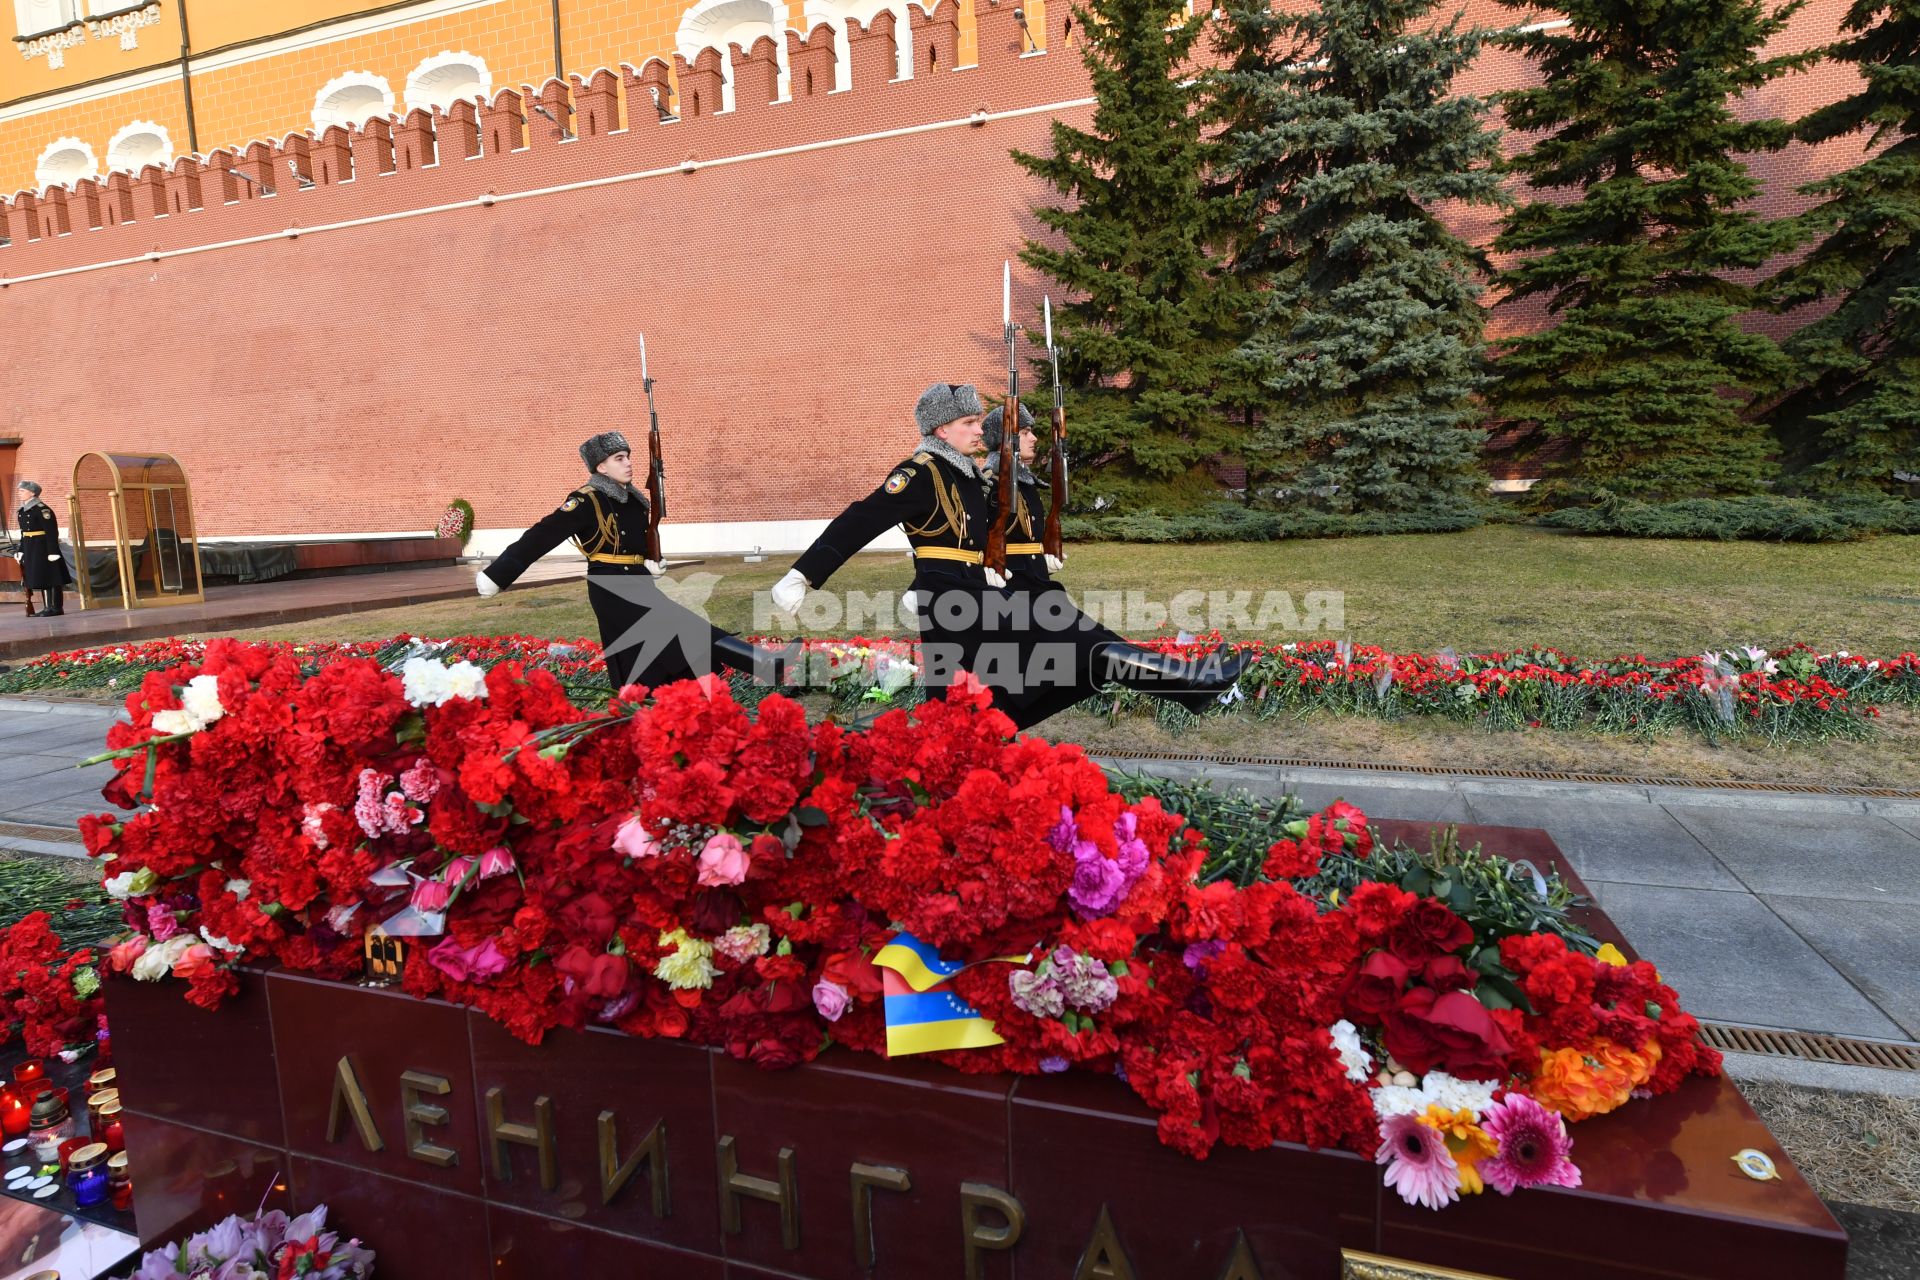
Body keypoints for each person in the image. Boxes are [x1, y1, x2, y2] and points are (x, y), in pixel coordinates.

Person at [977, 403, 1248, 728]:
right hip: (1015, 603)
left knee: (1103, 645)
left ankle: (1192, 681)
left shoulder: (1025, 482)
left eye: (1033, 431)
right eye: (1024, 433)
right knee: (1096, 652)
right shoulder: (990, 484)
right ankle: (1190, 683)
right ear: (1006, 441)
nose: (1034, 438)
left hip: (1039, 595)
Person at [477, 432, 793, 692]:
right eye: (619, 458)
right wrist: (498, 574)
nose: (628, 463)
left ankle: (657, 694)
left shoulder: (634, 500)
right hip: (610, 587)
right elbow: (540, 536)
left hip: (639, 581)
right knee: (686, 625)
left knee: (646, 651)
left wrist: (652, 560)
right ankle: (763, 664)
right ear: (600, 467)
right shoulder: (586, 501)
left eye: (628, 456)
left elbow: (639, 539)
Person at [772, 384, 1009, 699]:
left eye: (978, 421)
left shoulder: (967, 475)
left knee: (987, 686)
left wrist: (988, 564)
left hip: (975, 589)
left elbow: (958, 538)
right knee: (955, 690)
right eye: (968, 423)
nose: (979, 430)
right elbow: (862, 519)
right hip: (945, 597)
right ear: (942, 430)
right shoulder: (920, 474)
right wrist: (802, 574)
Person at [15, 481, 70, 617]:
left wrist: (52, 551)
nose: (19, 493)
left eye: (22, 491)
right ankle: (47, 607)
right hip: (30, 547)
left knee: (51, 576)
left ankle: (56, 607)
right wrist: (21, 550)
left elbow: (51, 531)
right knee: (41, 576)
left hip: (43, 546)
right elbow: (24, 533)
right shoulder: (22, 510)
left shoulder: (42, 509)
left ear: (32, 493)